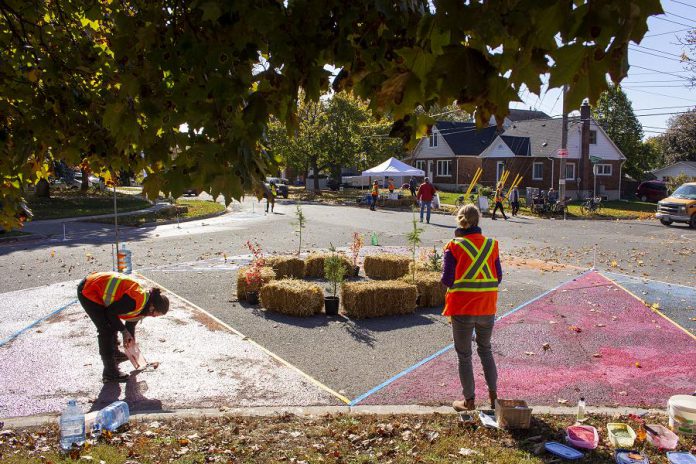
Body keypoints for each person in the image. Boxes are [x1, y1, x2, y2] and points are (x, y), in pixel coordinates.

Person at [441, 204, 502, 411]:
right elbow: (498, 277)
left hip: (462, 308)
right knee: (486, 350)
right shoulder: (492, 245)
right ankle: (494, 398)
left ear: (460, 221)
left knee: (464, 355)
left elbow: (447, 280)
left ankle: (469, 401)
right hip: (487, 307)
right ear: (479, 220)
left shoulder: (454, 246)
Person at [77, 271, 169, 383]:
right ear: (152, 306)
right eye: (155, 314)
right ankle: (110, 373)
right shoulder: (136, 301)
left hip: (98, 286)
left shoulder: (145, 305)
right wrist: (124, 332)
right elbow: (110, 313)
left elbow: (130, 325)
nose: (153, 316)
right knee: (106, 330)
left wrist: (131, 348)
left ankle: (115, 353)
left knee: (113, 325)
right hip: (89, 289)